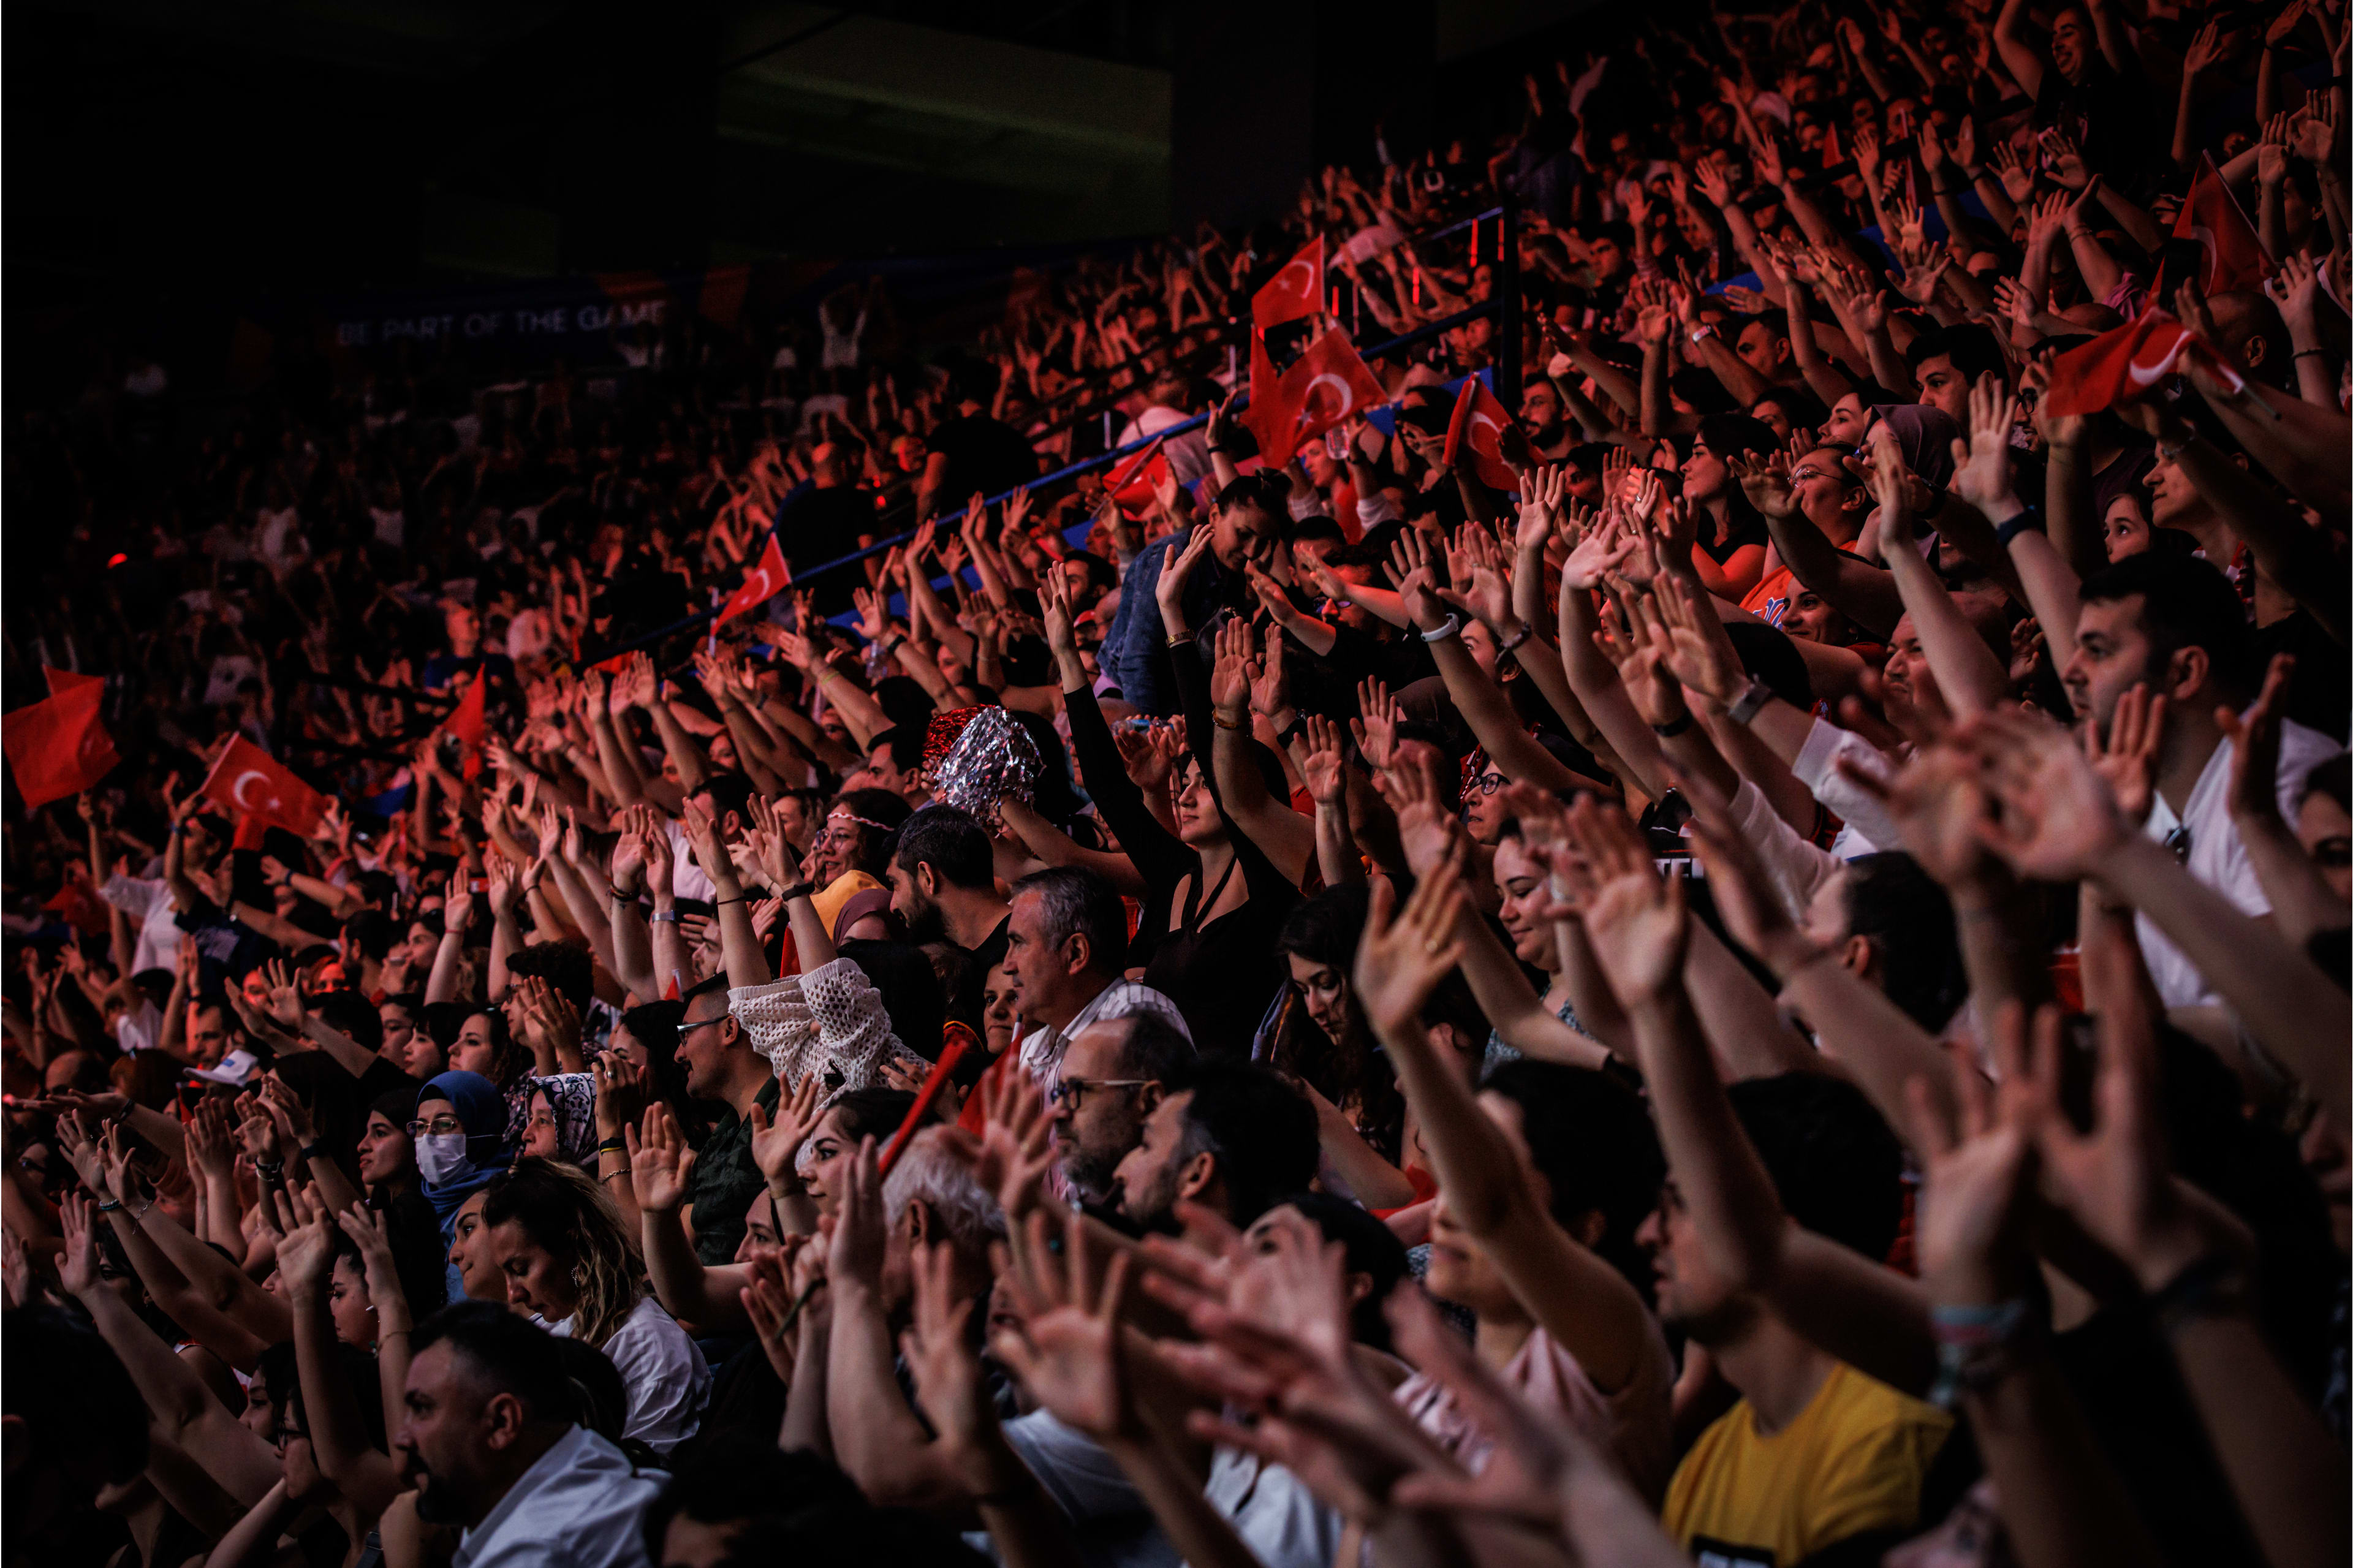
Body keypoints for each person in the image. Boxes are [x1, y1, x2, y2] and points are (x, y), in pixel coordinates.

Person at [393, 1301, 665, 1567]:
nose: (402, 1439)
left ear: (502, 1422)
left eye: (422, 1409)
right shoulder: (599, 1474)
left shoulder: (535, 1553)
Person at [480, 1160, 710, 1454]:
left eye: (521, 1269)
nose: (513, 1294)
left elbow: (643, 1471)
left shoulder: (647, 1344)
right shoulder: (546, 1328)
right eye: (506, 1274)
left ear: (575, 1246)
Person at [1002, 868, 1189, 1097]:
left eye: (1019, 944)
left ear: (1075, 953)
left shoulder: (1138, 1017)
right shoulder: (1034, 1045)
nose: (1007, 966)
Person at [1047, 1011, 1196, 1213]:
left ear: (1150, 1102)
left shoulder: (1183, 1223)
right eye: (1061, 1092)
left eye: (1077, 1091)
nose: (1058, 1114)